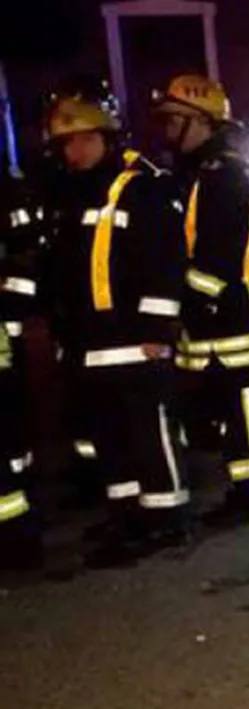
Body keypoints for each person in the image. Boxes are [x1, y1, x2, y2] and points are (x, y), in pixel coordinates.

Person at [42, 79, 192, 564]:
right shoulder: (71, 195)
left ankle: (166, 517)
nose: (75, 149)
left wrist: (156, 330)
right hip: (89, 341)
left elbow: (165, 261)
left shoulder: (142, 188)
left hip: (134, 340)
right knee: (108, 436)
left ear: (108, 138)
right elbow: (63, 270)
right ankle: (127, 514)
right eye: (67, 142)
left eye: (84, 139)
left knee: (148, 432)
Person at [153, 75, 249, 523]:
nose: (167, 130)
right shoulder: (200, 173)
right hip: (221, 314)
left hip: (232, 316)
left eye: (174, 120)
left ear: (202, 121)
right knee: (246, 407)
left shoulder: (225, 175)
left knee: (245, 404)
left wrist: (183, 300)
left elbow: (219, 259)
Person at [0, 172, 41, 570]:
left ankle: (18, 540)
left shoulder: (9, 193)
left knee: (9, 449)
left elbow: (25, 256)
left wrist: (12, 315)